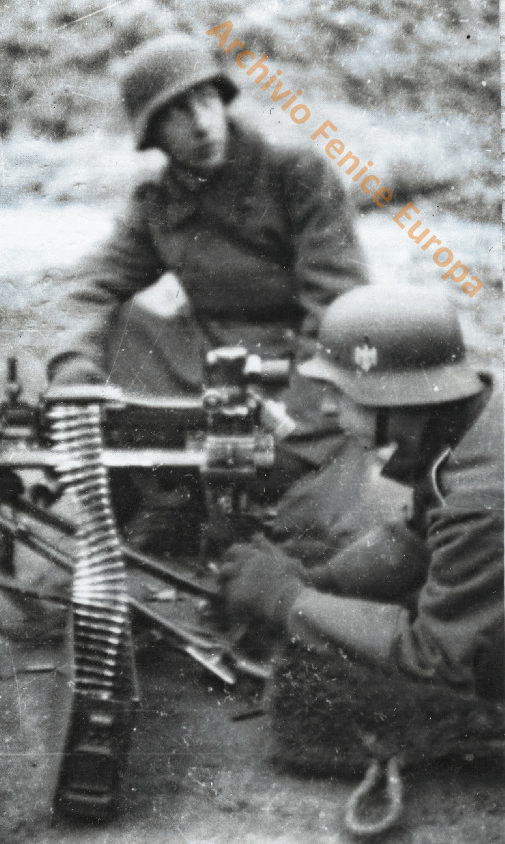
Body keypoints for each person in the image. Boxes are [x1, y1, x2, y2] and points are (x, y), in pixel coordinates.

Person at [47, 32, 367, 473]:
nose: (200, 124)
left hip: (296, 369)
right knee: (123, 326)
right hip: (214, 370)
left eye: (205, 99)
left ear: (222, 100)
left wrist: (297, 419)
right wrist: (72, 367)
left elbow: (337, 304)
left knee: (297, 470)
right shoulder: (159, 201)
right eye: (177, 112)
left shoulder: (296, 172)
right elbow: (90, 285)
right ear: (154, 134)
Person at [221, 285, 503, 778]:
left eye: (341, 391)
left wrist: (287, 600)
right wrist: (323, 581)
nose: (329, 408)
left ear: (393, 396)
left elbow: (433, 657)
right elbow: (416, 539)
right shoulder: (470, 417)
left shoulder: (482, 496)